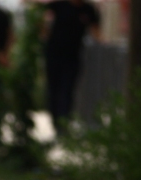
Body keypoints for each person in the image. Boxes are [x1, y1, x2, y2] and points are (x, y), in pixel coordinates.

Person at [42, 0, 101, 134]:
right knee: (54, 90)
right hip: (54, 55)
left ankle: (63, 123)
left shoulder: (88, 10)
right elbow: (43, 18)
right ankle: (56, 122)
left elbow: (96, 31)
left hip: (73, 57)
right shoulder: (59, 5)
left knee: (67, 90)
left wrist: (103, 43)